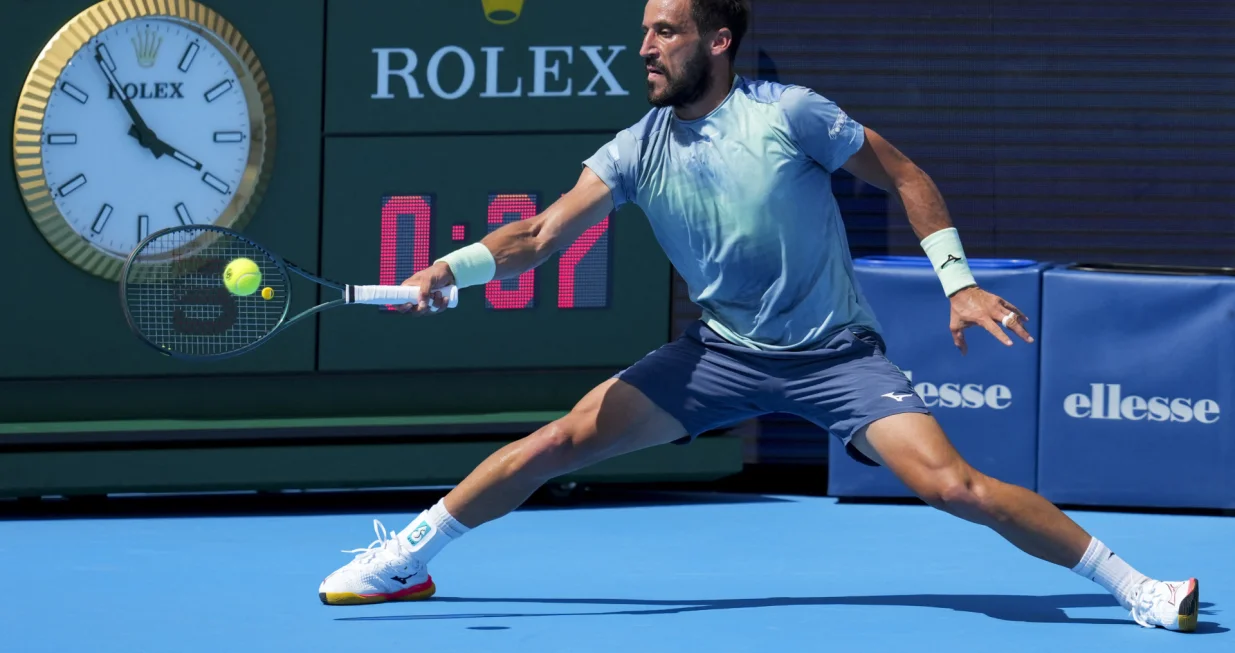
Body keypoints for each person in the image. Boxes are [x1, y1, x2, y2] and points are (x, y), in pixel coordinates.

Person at [318, 0, 1199, 632]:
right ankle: (406, 560)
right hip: (717, 357)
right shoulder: (634, 148)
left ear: (718, 41)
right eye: (643, 33)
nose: (645, 48)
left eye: (666, 32)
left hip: (836, 357)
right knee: (556, 442)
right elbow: (540, 234)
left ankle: (1138, 588)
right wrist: (452, 268)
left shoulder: (790, 115)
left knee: (953, 488)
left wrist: (957, 283)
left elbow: (904, 174)